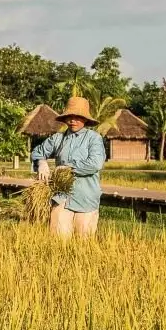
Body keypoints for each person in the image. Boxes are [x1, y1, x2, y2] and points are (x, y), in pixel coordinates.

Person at [31, 95, 106, 239]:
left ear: (85, 119)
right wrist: (41, 163)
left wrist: (68, 168)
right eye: (69, 117)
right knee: (58, 239)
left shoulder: (93, 138)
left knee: (83, 241)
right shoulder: (58, 138)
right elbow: (37, 152)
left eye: (77, 117)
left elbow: (95, 163)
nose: (73, 121)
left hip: (86, 197)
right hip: (62, 197)